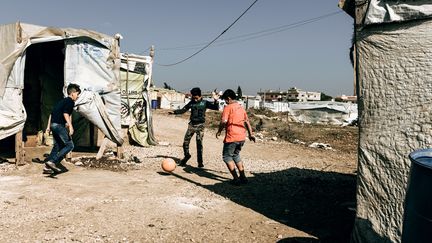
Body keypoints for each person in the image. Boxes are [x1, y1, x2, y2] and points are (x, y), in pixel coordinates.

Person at [169, 87, 219, 167]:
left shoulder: (205, 102)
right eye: (193, 97)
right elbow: (183, 110)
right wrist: (174, 112)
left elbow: (216, 108)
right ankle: (187, 156)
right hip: (191, 125)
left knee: (199, 144)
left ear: (199, 96)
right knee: (185, 142)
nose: (194, 99)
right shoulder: (191, 103)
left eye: (196, 98)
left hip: (200, 126)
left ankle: (200, 162)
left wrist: (216, 100)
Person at [216, 89, 255, 185]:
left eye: (225, 99)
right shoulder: (241, 107)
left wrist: (219, 131)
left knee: (227, 157)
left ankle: (236, 179)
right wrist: (251, 134)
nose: (225, 101)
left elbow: (223, 121)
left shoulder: (228, 107)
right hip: (242, 137)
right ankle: (243, 177)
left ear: (228, 99)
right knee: (236, 155)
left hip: (232, 136)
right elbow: (247, 122)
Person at [43, 83, 81, 174]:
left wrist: (48, 127)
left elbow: (51, 114)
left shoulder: (61, 101)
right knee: (70, 145)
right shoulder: (70, 102)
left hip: (53, 125)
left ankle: (47, 166)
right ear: (73, 93)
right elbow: (66, 113)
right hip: (59, 125)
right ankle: (53, 161)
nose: (78, 96)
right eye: (77, 94)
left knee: (58, 145)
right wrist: (71, 126)